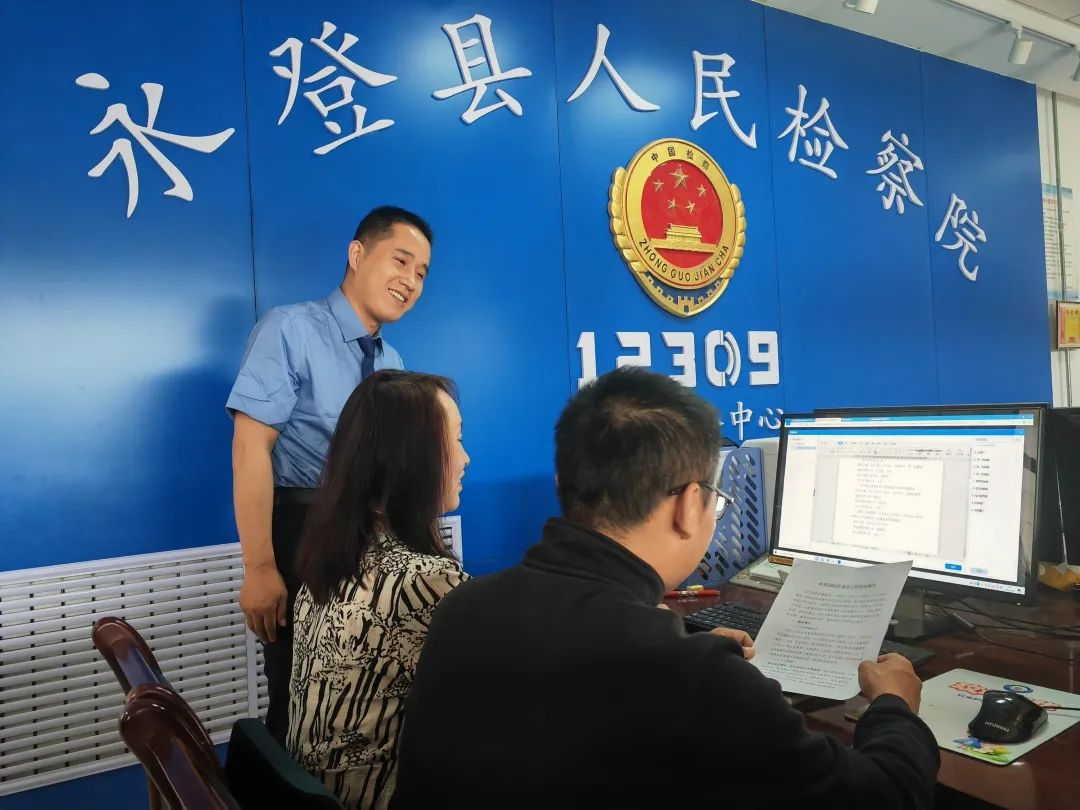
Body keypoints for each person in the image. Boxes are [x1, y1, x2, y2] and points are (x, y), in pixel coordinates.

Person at [392, 367, 939, 809]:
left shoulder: (462, 610)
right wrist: (894, 705)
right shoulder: (689, 677)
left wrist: (682, 647)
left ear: (564, 483)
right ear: (688, 505)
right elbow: (884, 795)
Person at [226, 206, 432, 743]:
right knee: (298, 694)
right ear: (357, 254)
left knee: (360, 693)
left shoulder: (393, 362)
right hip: (303, 532)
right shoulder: (290, 329)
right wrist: (260, 567)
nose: (410, 281)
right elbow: (250, 448)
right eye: (401, 261)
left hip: (372, 536)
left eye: (421, 273)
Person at [288, 370, 469, 809]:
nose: (465, 458)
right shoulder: (427, 580)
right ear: (412, 457)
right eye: (457, 439)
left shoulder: (328, 564)